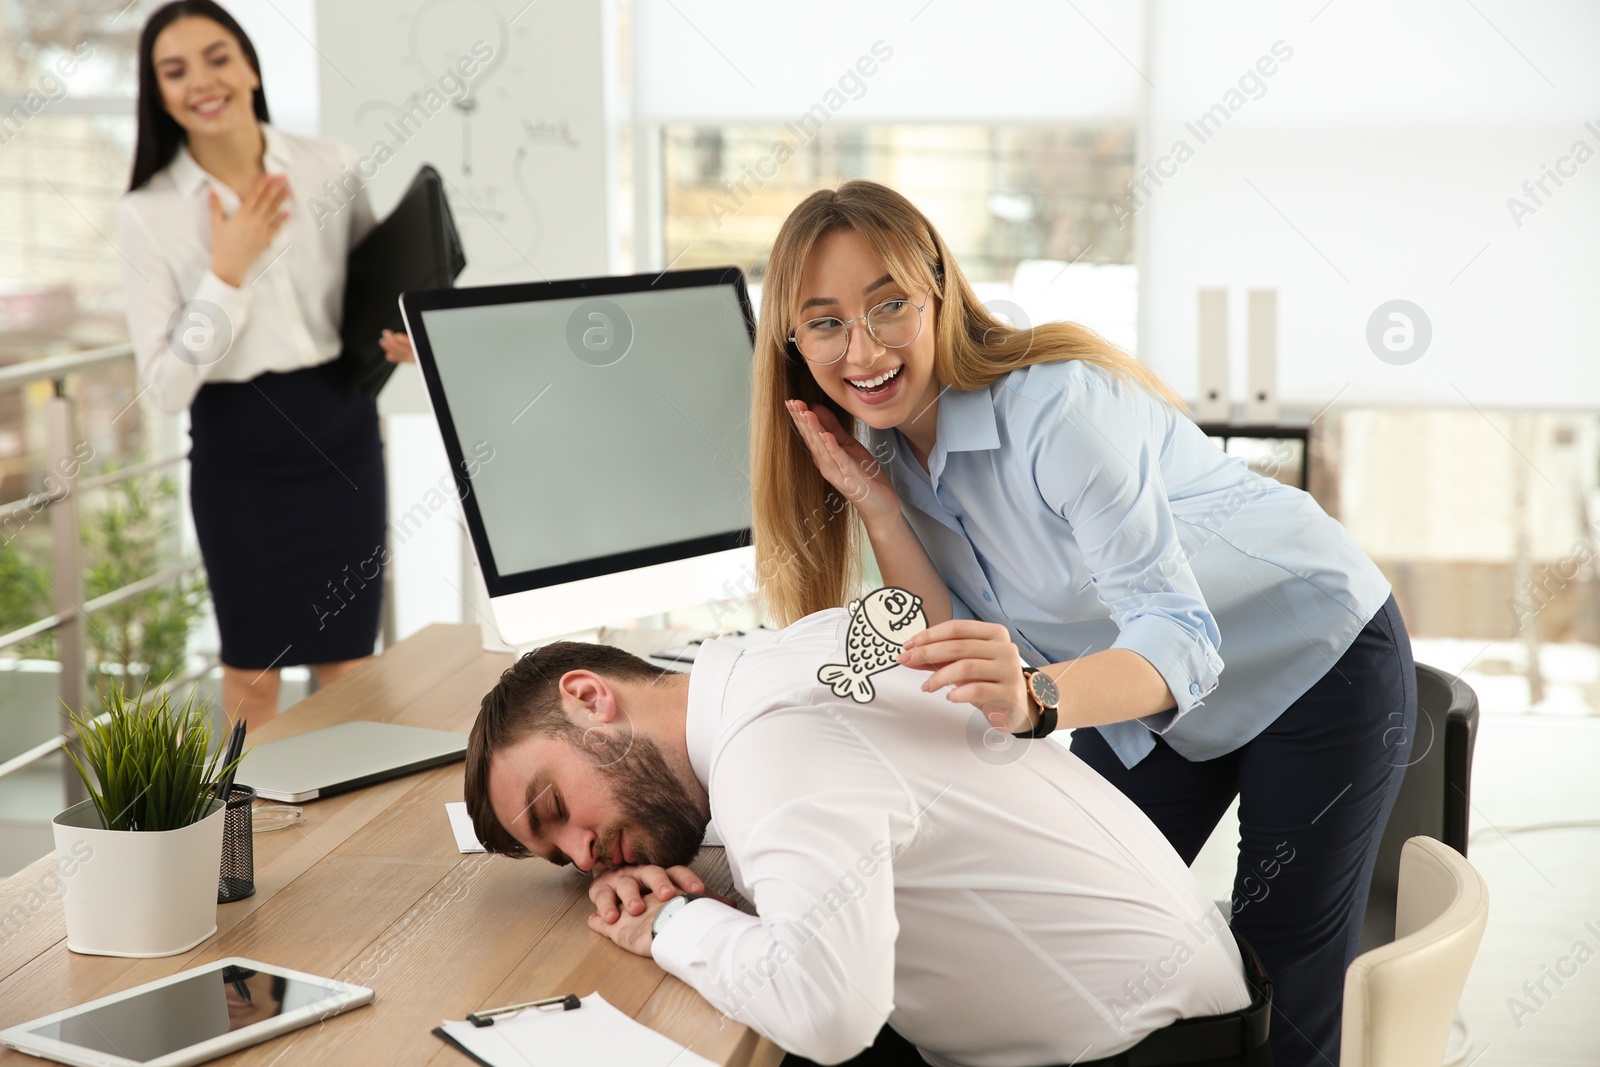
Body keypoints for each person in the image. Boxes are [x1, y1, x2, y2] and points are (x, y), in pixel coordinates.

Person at [749, 181, 1415, 1067]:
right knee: (1066, 913)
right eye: (825, 322)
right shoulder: (887, 452)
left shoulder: (1058, 412)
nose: (861, 349)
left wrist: (1036, 697)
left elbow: (1179, 637)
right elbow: (959, 650)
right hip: (1144, 693)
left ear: (938, 293)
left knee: (1279, 974)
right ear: (792, 344)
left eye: (889, 306)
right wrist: (878, 511)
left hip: (1311, 653)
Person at [464, 611, 1275, 1066]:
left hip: (1149, 1054)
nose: (581, 853)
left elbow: (828, 1013)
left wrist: (670, 922)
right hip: (1197, 1011)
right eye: (556, 856)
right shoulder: (786, 658)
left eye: (553, 806)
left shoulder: (768, 750)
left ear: (588, 696)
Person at [116, 1, 413, 729]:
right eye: (174, 70)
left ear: (249, 66)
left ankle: (354, 838)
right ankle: (259, 842)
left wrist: (409, 330)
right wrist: (228, 272)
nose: (202, 81)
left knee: (351, 665)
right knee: (253, 674)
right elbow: (165, 386)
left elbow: (377, 289)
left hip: (342, 433)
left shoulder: (328, 164)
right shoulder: (148, 213)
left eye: (217, 57)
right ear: (158, 94)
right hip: (239, 454)